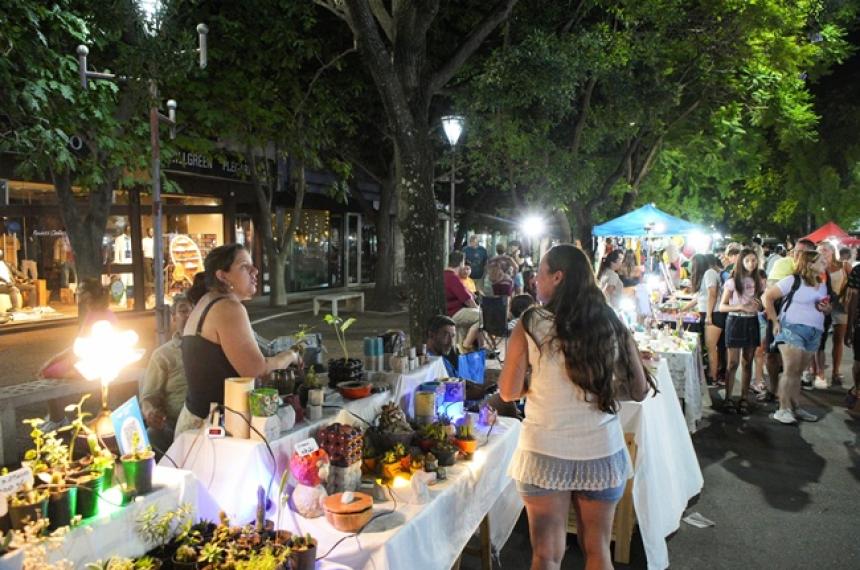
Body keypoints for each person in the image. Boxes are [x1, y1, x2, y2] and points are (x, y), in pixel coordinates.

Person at [498, 244, 654, 570]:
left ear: (558, 277)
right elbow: (639, 390)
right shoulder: (609, 320)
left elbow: (509, 392)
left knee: (546, 555)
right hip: (601, 452)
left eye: (540, 274)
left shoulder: (530, 322)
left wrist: (538, 385)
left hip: (544, 451)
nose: (534, 281)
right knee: (598, 550)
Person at [176, 244, 301, 436]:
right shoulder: (228, 308)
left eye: (252, 265)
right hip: (213, 429)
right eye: (244, 266)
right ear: (222, 276)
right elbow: (258, 371)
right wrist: (290, 355)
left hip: (196, 421)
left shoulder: (207, 301)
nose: (255, 271)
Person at [763, 250, 831, 424]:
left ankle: (795, 406)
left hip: (814, 331)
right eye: (821, 261)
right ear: (809, 264)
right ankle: (782, 409)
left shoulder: (821, 283)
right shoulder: (793, 281)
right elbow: (767, 297)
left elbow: (825, 307)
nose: (825, 263)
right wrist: (775, 321)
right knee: (790, 369)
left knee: (798, 372)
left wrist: (826, 309)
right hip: (792, 328)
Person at [759, 239, 816, 403]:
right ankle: (773, 389)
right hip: (778, 316)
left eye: (801, 252)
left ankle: (788, 397)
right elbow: (770, 288)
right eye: (795, 251)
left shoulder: (814, 271)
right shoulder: (783, 263)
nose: (796, 255)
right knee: (771, 355)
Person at [140, 293, 193, 455]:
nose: (190, 315)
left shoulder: (213, 348)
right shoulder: (162, 355)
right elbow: (148, 398)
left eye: (194, 310)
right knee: (152, 435)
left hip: (209, 423)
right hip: (174, 425)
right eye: (183, 311)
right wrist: (150, 413)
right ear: (173, 318)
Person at [719, 248, 766, 415]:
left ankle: (744, 398)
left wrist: (759, 306)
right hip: (735, 320)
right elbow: (722, 306)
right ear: (741, 262)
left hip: (752, 321)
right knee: (733, 363)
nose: (751, 264)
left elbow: (761, 303)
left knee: (748, 362)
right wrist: (740, 306)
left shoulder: (759, 281)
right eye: (748, 261)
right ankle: (728, 398)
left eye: (754, 260)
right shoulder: (732, 281)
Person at [811, 242, 851, 388]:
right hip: (821, 306)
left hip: (839, 306)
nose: (822, 252)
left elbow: (851, 285)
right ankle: (815, 371)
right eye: (820, 250)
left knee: (838, 339)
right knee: (818, 339)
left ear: (833, 252)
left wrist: (845, 298)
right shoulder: (816, 267)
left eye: (825, 250)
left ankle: (835, 372)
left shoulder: (843, 266)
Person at [685, 254, 723, 384]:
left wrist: (708, 315)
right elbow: (699, 298)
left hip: (713, 314)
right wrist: (683, 309)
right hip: (707, 313)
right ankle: (711, 374)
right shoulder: (705, 275)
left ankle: (713, 377)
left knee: (711, 347)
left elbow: (712, 294)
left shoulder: (709, 273)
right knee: (709, 346)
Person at [443, 251, 480, 341]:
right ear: (461, 263)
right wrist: (477, 309)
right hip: (455, 312)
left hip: (448, 311)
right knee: (483, 317)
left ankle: (462, 348)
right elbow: (467, 300)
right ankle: (467, 345)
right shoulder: (453, 277)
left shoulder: (444, 274)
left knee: (465, 327)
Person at [844, 261, 860, 401]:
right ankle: (856, 389)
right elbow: (853, 299)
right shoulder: (858, 271)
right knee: (858, 361)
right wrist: (849, 327)